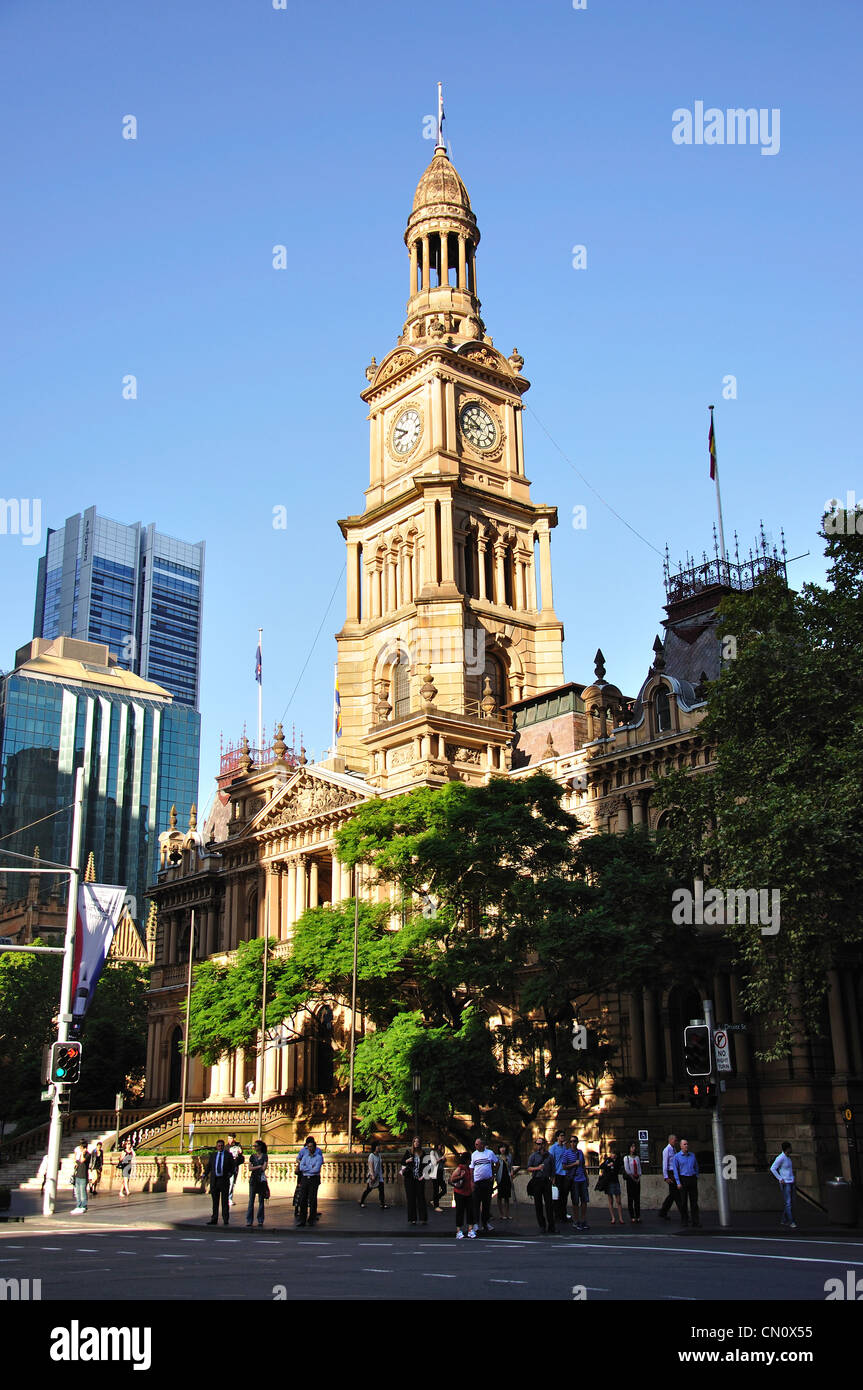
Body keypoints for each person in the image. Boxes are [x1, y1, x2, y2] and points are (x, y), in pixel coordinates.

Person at [527, 1135, 556, 1234]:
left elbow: (553, 1169)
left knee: (549, 1204)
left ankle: (551, 1225)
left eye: (540, 1144)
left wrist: (552, 1179)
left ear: (544, 1144)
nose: (539, 1146)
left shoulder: (549, 1156)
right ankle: (542, 1225)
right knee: (538, 1204)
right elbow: (529, 1168)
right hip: (537, 1180)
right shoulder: (533, 1156)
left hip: (546, 1180)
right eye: (537, 1144)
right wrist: (537, 1168)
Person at [469, 1137, 498, 1233]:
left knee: (486, 1203)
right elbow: (472, 1168)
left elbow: (497, 1163)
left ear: (482, 1145)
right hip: (477, 1181)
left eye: (477, 1144)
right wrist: (472, 1181)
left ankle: (485, 1222)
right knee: (476, 1203)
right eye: (475, 1144)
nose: (476, 1146)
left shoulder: (489, 1153)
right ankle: (476, 1223)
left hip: (487, 1181)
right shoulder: (474, 1155)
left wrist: (493, 1174)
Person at [205, 1139, 236, 1225]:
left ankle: (225, 1219)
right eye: (219, 1146)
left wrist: (230, 1173)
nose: (220, 1147)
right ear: (216, 1146)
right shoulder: (213, 1155)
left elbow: (233, 1166)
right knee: (215, 1201)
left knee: (224, 1201)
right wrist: (204, 1174)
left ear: (224, 1146)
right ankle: (214, 1218)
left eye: (222, 1146)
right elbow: (209, 1166)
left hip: (224, 1180)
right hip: (215, 1181)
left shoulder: (228, 1155)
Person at [295, 1135, 324, 1227]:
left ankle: (311, 1218)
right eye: (308, 1147)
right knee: (303, 1198)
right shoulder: (305, 1156)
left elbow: (316, 1169)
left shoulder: (318, 1156)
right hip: (305, 1178)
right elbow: (301, 1166)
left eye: (311, 1147)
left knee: (312, 1198)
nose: (309, 1149)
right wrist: (309, 1168)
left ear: (314, 1147)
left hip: (313, 1179)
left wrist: (308, 1168)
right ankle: (302, 1219)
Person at [400, 1136, 428, 1225]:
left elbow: (426, 1166)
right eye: (415, 1141)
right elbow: (402, 1162)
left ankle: (423, 1218)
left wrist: (423, 1176)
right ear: (413, 1143)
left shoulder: (422, 1153)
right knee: (411, 1198)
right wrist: (407, 1160)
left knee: (421, 1198)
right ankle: (412, 1218)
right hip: (409, 1178)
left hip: (419, 1178)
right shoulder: (409, 1153)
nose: (416, 1143)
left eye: (418, 1142)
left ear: (420, 1143)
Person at [673, 1138, 700, 1227]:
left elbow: (696, 1166)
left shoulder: (692, 1155)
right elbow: (675, 1170)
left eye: (687, 1144)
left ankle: (695, 1220)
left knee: (694, 1201)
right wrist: (678, 1182)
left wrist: (696, 1175)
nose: (686, 1146)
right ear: (680, 1146)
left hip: (692, 1178)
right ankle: (684, 1220)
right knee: (683, 1201)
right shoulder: (677, 1157)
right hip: (683, 1179)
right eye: (684, 1144)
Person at [770, 1142, 797, 1229]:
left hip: (790, 1181)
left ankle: (784, 1219)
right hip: (785, 1182)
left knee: (790, 1202)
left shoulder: (788, 1158)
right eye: (790, 1148)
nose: (791, 1149)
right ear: (787, 1148)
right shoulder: (781, 1158)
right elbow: (773, 1168)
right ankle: (791, 1221)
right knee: (788, 1202)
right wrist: (780, 1178)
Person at [566, 1136, 590, 1231]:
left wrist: (586, 1177)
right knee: (575, 1201)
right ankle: (576, 1221)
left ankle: (583, 1220)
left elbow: (583, 1165)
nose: (573, 1143)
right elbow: (564, 1166)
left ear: (577, 1142)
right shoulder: (567, 1153)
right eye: (571, 1141)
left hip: (582, 1179)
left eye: (574, 1141)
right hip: (574, 1180)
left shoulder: (580, 1153)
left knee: (584, 1200)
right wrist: (574, 1164)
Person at [450, 1151, 476, 1238]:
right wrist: (461, 1176)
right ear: (467, 1160)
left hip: (468, 1192)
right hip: (460, 1193)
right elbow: (452, 1179)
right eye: (469, 1159)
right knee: (460, 1211)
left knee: (470, 1211)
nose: (471, 1161)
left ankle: (470, 1229)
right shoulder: (460, 1168)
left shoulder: (469, 1168)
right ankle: (458, 1231)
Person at [659, 1133, 683, 1221]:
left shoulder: (674, 1149)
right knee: (676, 1194)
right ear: (670, 1140)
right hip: (670, 1172)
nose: (676, 1142)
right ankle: (683, 1214)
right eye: (674, 1140)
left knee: (673, 1195)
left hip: (675, 1172)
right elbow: (665, 1164)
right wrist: (666, 1176)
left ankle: (663, 1211)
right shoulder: (667, 1150)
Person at [549, 1129, 571, 1224]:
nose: (562, 1137)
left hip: (564, 1173)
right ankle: (556, 1215)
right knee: (556, 1196)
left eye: (563, 1136)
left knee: (564, 1195)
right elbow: (550, 1161)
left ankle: (563, 1214)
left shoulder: (564, 1147)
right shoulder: (553, 1148)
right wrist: (552, 1175)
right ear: (557, 1137)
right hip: (557, 1174)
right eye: (561, 1136)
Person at [599, 1144, 624, 1225]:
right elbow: (601, 1166)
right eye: (612, 1153)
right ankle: (613, 1217)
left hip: (615, 1180)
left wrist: (614, 1164)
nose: (612, 1155)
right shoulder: (608, 1160)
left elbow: (619, 1167)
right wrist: (608, 1165)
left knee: (618, 1200)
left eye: (614, 1154)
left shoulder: (618, 1161)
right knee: (610, 1200)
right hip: (608, 1181)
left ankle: (620, 1218)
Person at [359, 1140, 388, 1209]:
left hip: (379, 1175)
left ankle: (382, 1204)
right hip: (373, 1175)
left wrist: (380, 1174)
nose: (379, 1147)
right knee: (368, 1189)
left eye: (379, 1146)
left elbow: (380, 1165)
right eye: (377, 1146)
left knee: (381, 1189)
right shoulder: (371, 1155)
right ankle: (362, 1202)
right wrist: (372, 1175)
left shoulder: (379, 1155)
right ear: (374, 1147)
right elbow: (370, 1165)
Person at [246, 1140, 268, 1227]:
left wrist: (258, 1167)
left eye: (256, 1146)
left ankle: (260, 1219)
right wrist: (258, 1166)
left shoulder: (264, 1156)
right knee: (251, 1200)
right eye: (254, 1146)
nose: (254, 1147)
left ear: (260, 1147)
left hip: (261, 1180)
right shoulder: (252, 1156)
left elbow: (264, 1168)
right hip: (253, 1179)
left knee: (261, 1201)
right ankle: (249, 1220)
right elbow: (250, 1168)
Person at [623, 1142, 642, 1223]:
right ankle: (632, 1216)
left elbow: (639, 1168)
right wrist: (633, 1178)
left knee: (637, 1198)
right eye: (632, 1147)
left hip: (637, 1178)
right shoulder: (626, 1158)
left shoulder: (637, 1157)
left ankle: (638, 1215)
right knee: (631, 1198)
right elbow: (627, 1169)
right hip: (630, 1179)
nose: (633, 1148)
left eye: (634, 1147)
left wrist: (638, 1177)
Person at [426, 1141, 447, 1211]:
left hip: (440, 1172)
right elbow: (434, 1162)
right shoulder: (433, 1152)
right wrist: (441, 1159)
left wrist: (444, 1160)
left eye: (442, 1146)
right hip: (435, 1173)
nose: (441, 1147)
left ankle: (435, 1200)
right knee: (436, 1189)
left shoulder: (440, 1153)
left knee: (444, 1189)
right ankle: (436, 1205)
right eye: (440, 1145)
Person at [496, 1142, 514, 1220]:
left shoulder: (509, 1156)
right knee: (500, 1196)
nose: (502, 1149)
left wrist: (512, 1172)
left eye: (504, 1147)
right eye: (501, 1147)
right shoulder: (497, 1157)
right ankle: (501, 1214)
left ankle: (507, 1214)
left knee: (507, 1196)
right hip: (500, 1177)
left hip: (507, 1177)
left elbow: (511, 1166)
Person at [71, 1144, 90, 1214]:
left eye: (82, 1148)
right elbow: (76, 1162)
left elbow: (82, 1160)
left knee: (83, 1192)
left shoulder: (88, 1155)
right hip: (78, 1175)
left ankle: (84, 1206)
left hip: (83, 1176)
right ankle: (78, 1206)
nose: (81, 1150)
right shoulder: (79, 1155)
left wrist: (82, 1154)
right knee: (78, 1192)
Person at [226, 1133, 244, 1206]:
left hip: (235, 1166)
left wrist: (240, 1152)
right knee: (230, 1183)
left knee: (232, 1183)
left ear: (234, 1139)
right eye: (228, 1138)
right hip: (228, 1168)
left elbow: (241, 1156)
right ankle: (228, 1198)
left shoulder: (238, 1145)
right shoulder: (226, 1147)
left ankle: (229, 1198)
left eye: (230, 1138)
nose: (229, 1140)